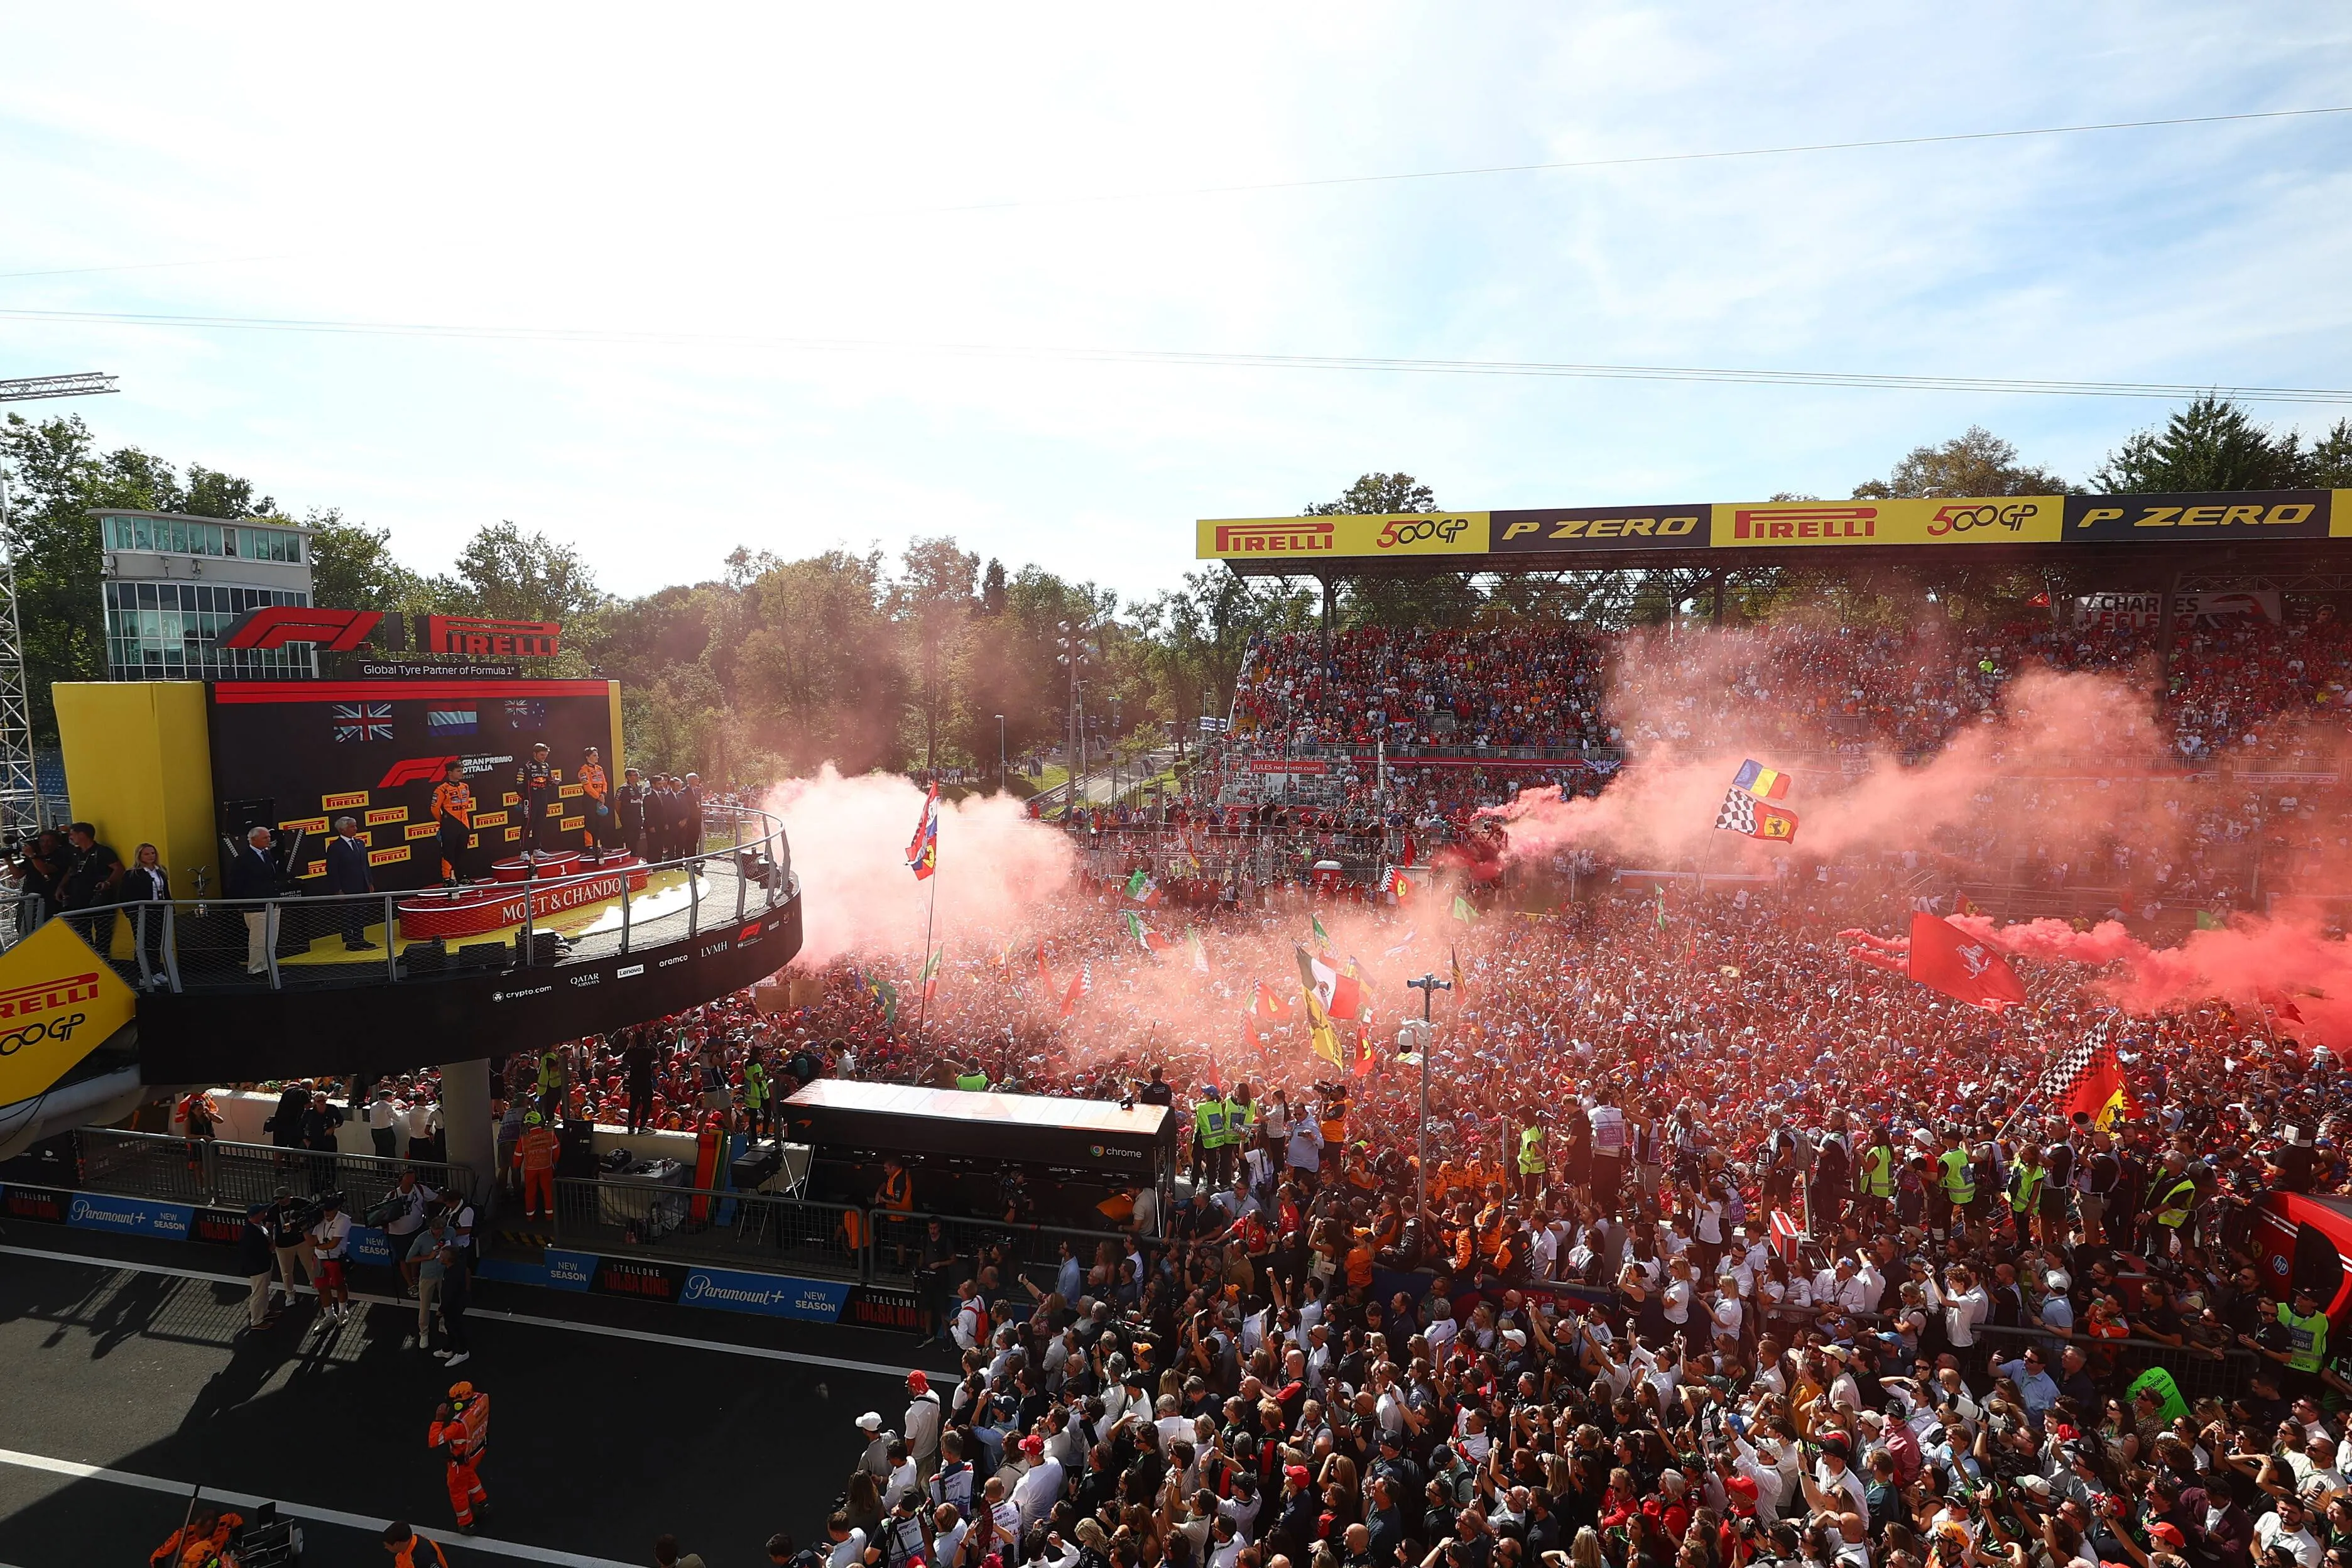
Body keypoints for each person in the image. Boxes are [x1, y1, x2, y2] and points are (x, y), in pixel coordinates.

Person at [430, 1380, 491, 1533]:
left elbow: (434, 1441)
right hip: (477, 1452)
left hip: (461, 1461)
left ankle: (466, 1523)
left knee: (457, 1491)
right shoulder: (480, 1401)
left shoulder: (458, 1426)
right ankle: (481, 1501)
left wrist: (439, 1419)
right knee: (469, 1474)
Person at [58, 820, 124, 955]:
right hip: (79, 897)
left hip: (99, 897)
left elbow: (118, 868)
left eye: (72, 834)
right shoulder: (75, 852)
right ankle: (88, 959)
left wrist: (107, 883)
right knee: (81, 931)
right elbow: (71, 871)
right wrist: (61, 887)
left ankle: (104, 961)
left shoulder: (103, 851)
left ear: (82, 835)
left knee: (103, 931)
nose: (70, 837)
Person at [227, 824, 285, 974]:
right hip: (256, 906)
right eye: (265, 837)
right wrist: (239, 903)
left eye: (269, 837)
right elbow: (236, 883)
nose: (269, 840)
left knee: (272, 938)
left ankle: (268, 966)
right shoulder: (243, 860)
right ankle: (255, 969)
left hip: (273, 903)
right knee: (259, 940)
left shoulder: (268, 855)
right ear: (253, 840)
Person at [324, 814, 378, 949]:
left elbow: (366, 864)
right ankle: (350, 943)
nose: (356, 829)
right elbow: (332, 871)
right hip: (347, 888)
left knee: (361, 914)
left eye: (355, 826)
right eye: (352, 827)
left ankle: (360, 939)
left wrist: (369, 882)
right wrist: (337, 889)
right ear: (342, 830)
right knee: (349, 916)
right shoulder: (335, 848)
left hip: (362, 886)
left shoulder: (360, 843)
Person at [124, 842, 171, 986]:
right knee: (143, 943)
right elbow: (126, 895)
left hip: (159, 910)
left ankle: (155, 970)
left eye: (153, 853)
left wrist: (170, 909)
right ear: (140, 856)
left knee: (157, 942)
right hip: (142, 912)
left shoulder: (160, 871)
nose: (151, 856)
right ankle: (143, 975)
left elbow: (166, 891)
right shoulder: (133, 874)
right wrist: (132, 914)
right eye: (147, 854)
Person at [309, 1190, 354, 1326]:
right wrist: (305, 1228)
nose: (326, 1214)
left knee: (339, 1286)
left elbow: (333, 1244)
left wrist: (318, 1245)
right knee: (322, 1289)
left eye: (329, 1210)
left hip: (335, 1259)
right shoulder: (319, 1219)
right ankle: (329, 1316)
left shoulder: (344, 1220)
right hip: (319, 1259)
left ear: (337, 1208)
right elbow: (311, 1242)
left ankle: (343, 1312)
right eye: (324, 1210)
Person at [430, 760, 477, 885]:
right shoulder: (442, 789)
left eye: (462, 770)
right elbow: (435, 809)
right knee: (448, 852)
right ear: (449, 773)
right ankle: (448, 878)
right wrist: (444, 822)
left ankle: (462, 876)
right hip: (450, 823)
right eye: (458, 771)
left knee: (462, 852)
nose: (461, 773)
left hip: (464, 824)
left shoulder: (465, 787)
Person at [152, 1503, 243, 1568]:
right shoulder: (182, 1535)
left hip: (217, 1563)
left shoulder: (224, 1522)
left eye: (205, 1530)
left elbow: (237, 1520)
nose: (199, 1534)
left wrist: (237, 1546)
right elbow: (157, 1557)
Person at [236, 1202, 278, 1332]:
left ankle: (264, 1312)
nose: (265, 1213)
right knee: (258, 1293)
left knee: (264, 1290)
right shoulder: (250, 1233)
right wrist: (273, 1245)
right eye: (263, 1212)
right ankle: (256, 1321)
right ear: (256, 1215)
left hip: (263, 1265)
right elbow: (257, 1251)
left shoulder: (257, 1225)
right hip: (258, 1268)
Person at [517, 741, 562, 858]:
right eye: (542, 755)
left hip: (543, 797)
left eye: (546, 755)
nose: (544, 757)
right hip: (530, 798)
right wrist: (523, 797)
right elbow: (519, 783)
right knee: (527, 824)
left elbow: (548, 781)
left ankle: (537, 849)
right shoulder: (526, 765)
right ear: (535, 754)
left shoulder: (546, 766)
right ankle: (524, 851)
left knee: (540, 823)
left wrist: (554, 782)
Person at [516, 1111, 559, 1219]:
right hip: (547, 1167)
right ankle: (550, 1216)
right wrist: (553, 1162)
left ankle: (530, 1216)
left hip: (530, 1169)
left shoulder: (523, 1138)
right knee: (548, 1191)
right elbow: (556, 1150)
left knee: (530, 1192)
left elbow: (518, 1155)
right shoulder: (550, 1134)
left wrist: (516, 1166)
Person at [579, 744, 611, 857]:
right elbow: (587, 787)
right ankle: (589, 846)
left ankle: (598, 845)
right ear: (587, 757)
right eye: (594, 755)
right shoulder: (583, 770)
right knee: (590, 823)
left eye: (597, 755)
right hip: (589, 799)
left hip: (600, 797)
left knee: (599, 823)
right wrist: (598, 796)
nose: (597, 757)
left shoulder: (600, 768)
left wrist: (603, 794)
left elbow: (605, 783)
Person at [616, 766, 650, 859]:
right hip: (628, 819)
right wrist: (622, 816)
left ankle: (635, 857)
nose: (638, 777)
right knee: (629, 840)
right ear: (629, 777)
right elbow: (617, 804)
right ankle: (629, 859)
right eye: (635, 775)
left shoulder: (639, 788)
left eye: (638, 775)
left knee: (636, 840)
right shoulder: (623, 789)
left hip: (638, 819)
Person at [381, 1522, 449, 1568]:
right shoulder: (412, 1541)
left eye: (387, 1545)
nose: (386, 1547)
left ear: (397, 1544)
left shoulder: (424, 1558)